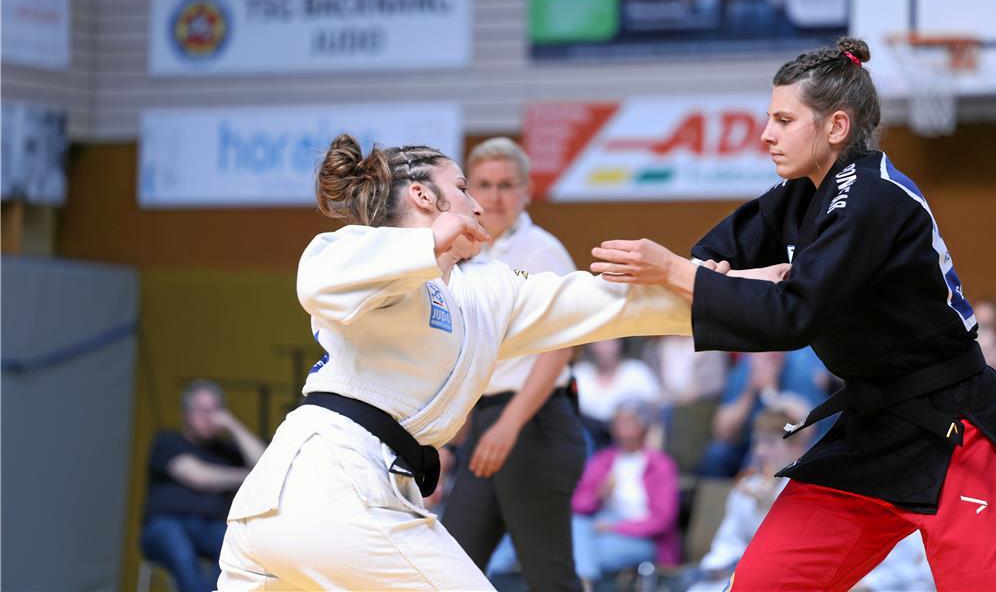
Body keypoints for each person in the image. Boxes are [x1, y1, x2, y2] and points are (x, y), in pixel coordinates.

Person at [590, 37, 996, 590]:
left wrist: (675, 272)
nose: (766, 134)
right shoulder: (798, 195)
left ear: (835, 126)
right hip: (871, 432)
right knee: (760, 583)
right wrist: (699, 273)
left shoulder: (875, 198)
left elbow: (792, 315)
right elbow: (712, 257)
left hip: (957, 430)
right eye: (769, 118)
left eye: (784, 120)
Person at [216, 136, 701, 591]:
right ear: (424, 197)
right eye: (466, 188)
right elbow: (316, 281)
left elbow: (602, 303)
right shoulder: (358, 254)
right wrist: (428, 242)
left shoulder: (482, 286)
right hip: (329, 486)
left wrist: (711, 289)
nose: (479, 204)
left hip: (318, 504)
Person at [440, 137, 586, 591]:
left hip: (534, 422)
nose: (495, 196)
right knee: (449, 569)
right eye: (483, 184)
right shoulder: (465, 252)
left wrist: (509, 423)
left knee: (548, 576)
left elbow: (559, 347)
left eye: (507, 184)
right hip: (486, 421)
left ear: (526, 190)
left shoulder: (542, 251)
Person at [141, 380, 266, 592]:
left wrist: (232, 424)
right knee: (182, 556)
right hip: (165, 524)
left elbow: (265, 465)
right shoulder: (167, 440)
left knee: (239, 554)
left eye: (216, 410)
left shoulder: (227, 450)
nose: (210, 417)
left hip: (212, 527)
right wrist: (246, 475)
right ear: (186, 414)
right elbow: (199, 477)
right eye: (203, 411)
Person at [687, 401, 810, 592]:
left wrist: (769, 508)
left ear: (796, 448)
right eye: (757, 442)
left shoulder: (805, 492)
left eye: (770, 443)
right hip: (740, 571)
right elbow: (729, 539)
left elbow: (797, 553)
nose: (760, 451)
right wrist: (718, 566)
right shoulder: (746, 488)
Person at [570, 399, 680, 586]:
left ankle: (584, 581)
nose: (621, 429)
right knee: (577, 525)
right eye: (618, 423)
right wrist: (598, 494)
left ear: (643, 427)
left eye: (628, 422)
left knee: (579, 554)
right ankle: (584, 582)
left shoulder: (660, 465)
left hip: (641, 536)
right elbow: (578, 505)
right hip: (599, 527)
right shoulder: (603, 461)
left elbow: (663, 519)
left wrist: (617, 528)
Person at [574, 339, 663, 449]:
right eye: (599, 342)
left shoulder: (637, 372)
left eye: (610, 342)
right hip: (587, 442)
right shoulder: (580, 373)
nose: (605, 348)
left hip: (630, 443)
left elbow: (655, 413)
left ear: (621, 344)